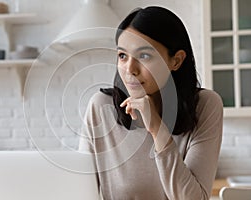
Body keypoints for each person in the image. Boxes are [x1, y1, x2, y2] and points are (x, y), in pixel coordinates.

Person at [78, 6, 223, 200]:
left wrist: (157, 128)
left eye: (144, 56)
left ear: (176, 61)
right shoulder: (100, 107)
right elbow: (80, 191)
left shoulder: (206, 105)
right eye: (122, 56)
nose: (130, 69)